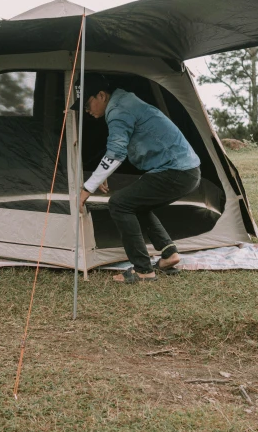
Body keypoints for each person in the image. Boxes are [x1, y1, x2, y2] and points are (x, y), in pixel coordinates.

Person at [72, 73, 201, 283]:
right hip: (185, 170)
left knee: (119, 204)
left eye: (87, 104)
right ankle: (169, 255)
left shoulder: (118, 110)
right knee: (135, 203)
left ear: (102, 95)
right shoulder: (124, 101)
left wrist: (87, 188)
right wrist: (103, 173)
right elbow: (117, 146)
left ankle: (143, 270)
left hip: (176, 171)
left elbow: (116, 153)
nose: (86, 111)